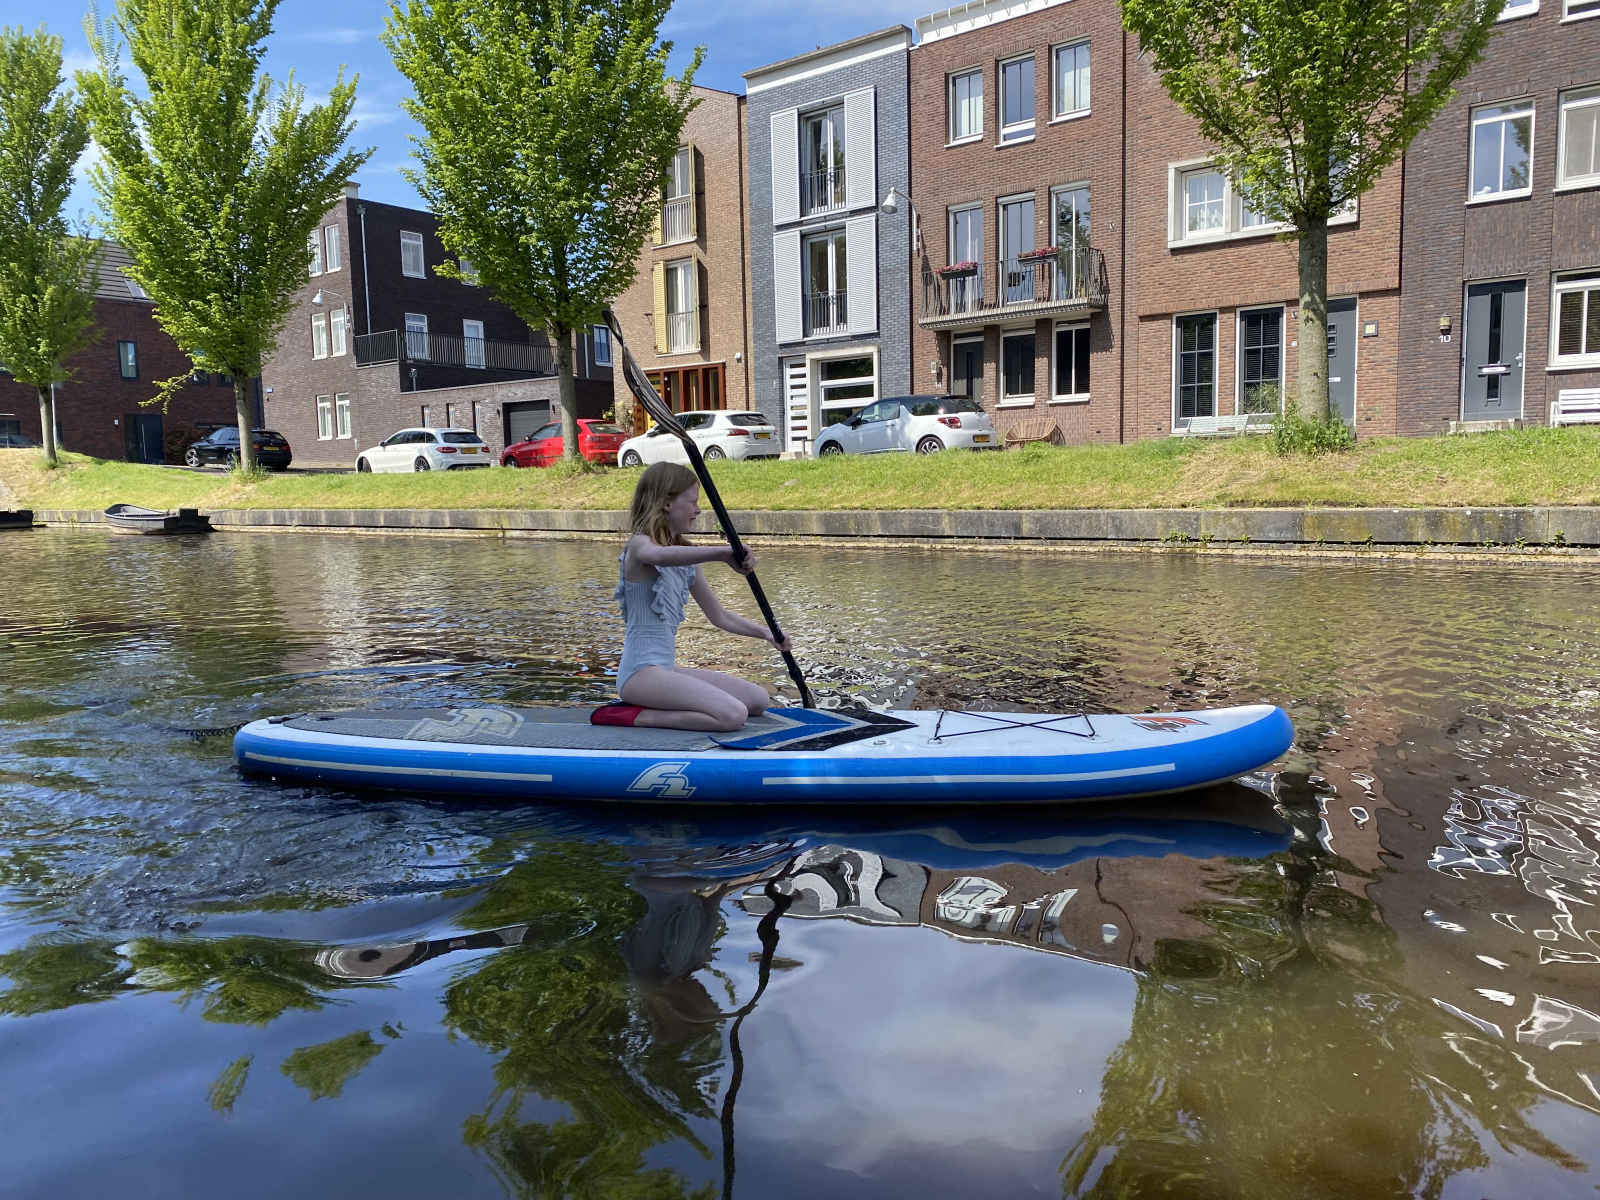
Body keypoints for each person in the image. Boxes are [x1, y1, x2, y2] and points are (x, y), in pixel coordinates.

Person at [593, 461, 793, 732]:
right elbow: (660, 556)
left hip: (666, 671)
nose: (698, 510)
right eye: (693, 502)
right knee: (733, 715)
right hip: (638, 675)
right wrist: (722, 553)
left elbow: (719, 616)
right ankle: (633, 715)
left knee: (757, 700)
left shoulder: (688, 557)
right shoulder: (640, 546)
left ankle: (661, 705)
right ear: (667, 503)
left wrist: (767, 633)